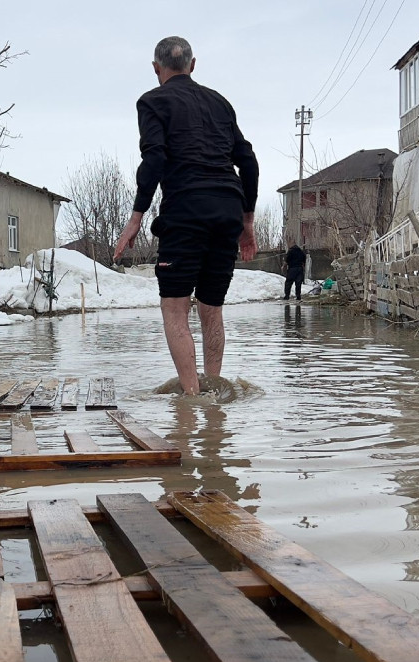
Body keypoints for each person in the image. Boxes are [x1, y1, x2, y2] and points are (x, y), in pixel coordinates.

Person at [113, 36, 259, 396]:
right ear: (193, 65)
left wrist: (136, 217)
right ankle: (214, 396)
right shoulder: (220, 103)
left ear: (156, 69)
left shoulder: (152, 101)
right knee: (212, 308)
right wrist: (247, 221)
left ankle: (193, 401)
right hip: (227, 209)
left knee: (175, 310)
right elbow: (249, 161)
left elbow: (155, 159)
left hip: (186, 211)